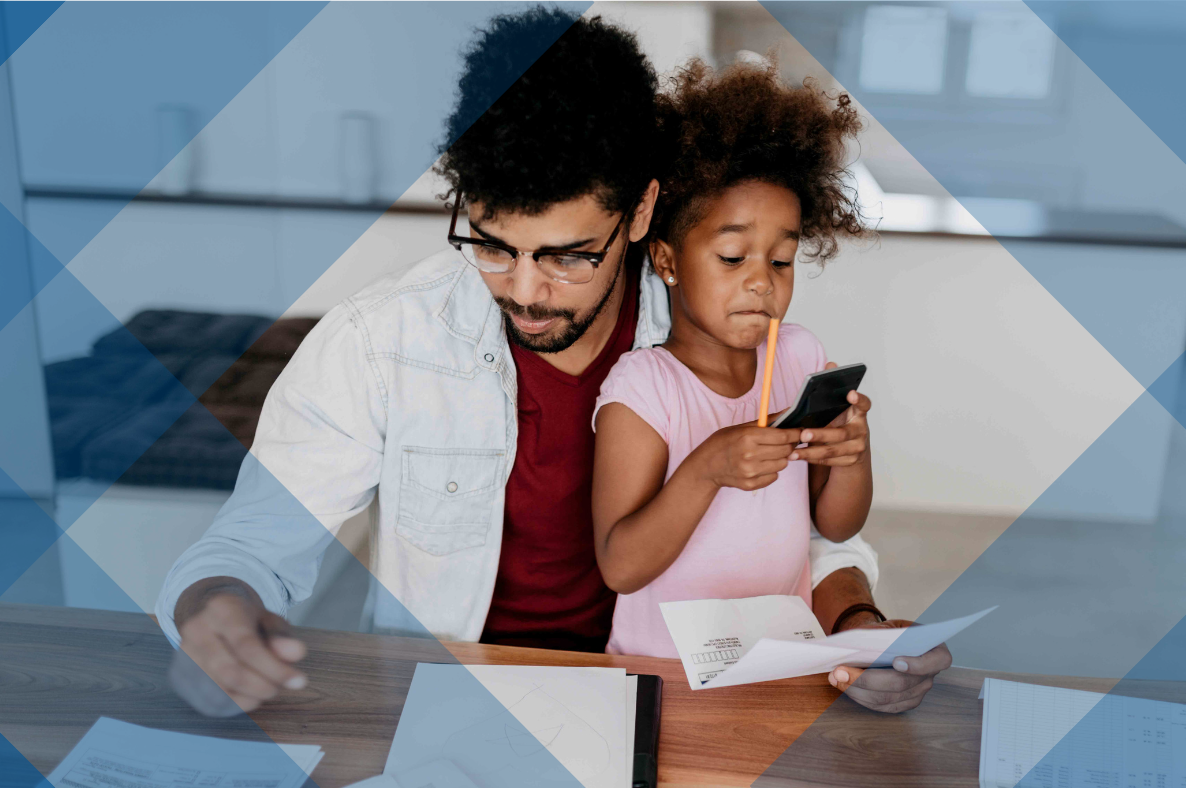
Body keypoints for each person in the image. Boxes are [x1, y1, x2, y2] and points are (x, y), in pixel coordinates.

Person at [155, 7, 949, 715]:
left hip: (671, 692)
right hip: (452, 697)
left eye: (568, 256)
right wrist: (213, 607)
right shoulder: (382, 341)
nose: (527, 292)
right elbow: (255, 541)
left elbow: (795, 528)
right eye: (494, 246)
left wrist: (857, 629)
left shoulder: (725, 329)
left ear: (641, 213)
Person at [593, 58, 875, 659]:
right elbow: (620, 566)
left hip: (776, 655)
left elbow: (837, 526)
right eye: (731, 257)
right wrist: (707, 467)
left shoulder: (800, 355)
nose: (761, 283)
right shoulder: (643, 387)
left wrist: (853, 452)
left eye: (780, 261)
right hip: (662, 668)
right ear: (667, 261)